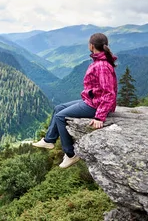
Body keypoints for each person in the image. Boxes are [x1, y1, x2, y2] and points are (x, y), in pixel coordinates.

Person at [33, 33, 118, 168]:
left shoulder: (101, 65)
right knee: (59, 108)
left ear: (91, 46)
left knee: (61, 117)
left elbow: (109, 93)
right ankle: (49, 140)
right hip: (91, 101)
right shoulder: (99, 61)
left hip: (96, 106)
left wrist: (100, 117)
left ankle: (71, 154)